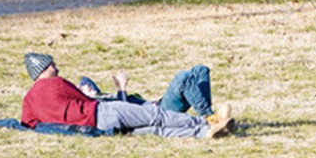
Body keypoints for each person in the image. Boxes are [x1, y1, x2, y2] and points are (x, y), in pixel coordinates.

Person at [20, 52, 235, 138]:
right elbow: (87, 101)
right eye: (52, 65)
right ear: (43, 69)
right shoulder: (56, 84)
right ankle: (208, 121)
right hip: (103, 113)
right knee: (157, 116)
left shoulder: (28, 100)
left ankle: (204, 132)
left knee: (156, 129)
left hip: (101, 124)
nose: (57, 69)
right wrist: (109, 92)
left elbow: (27, 123)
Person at [79, 64, 219, 119]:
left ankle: (207, 114)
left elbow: (85, 80)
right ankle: (209, 117)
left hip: (157, 105)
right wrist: (121, 89)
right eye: (82, 89)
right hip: (158, 113)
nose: (86, 86)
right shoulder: (99, 106)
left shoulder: (105, 96)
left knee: (200, 70)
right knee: (183, 78)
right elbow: (123, 113)